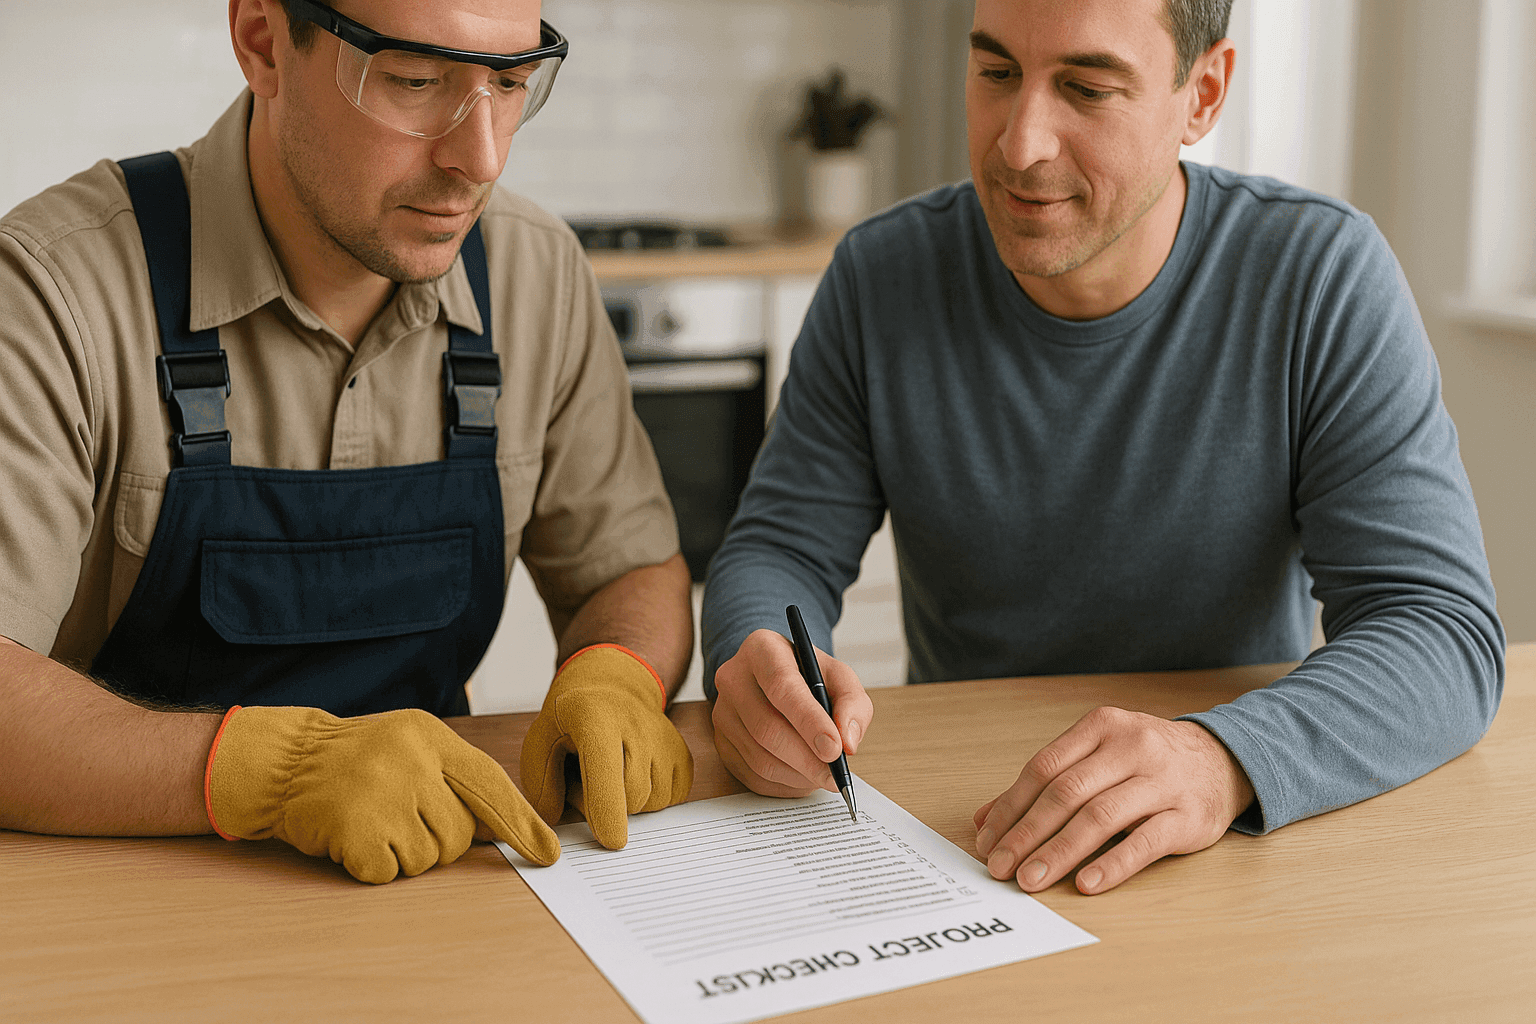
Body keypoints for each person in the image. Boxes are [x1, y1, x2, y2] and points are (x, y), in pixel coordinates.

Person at [701, 0, 1505, 897]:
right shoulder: (879, 276)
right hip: (968, 834)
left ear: (1201, 95)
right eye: (996, 73)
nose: (1019, 144)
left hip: (1225, 844)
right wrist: (755, 656)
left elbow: (1440, 630)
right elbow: (779, 549)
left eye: (1086, 87)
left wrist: (1223, 756)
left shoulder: (1320, 276)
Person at [0, 0, 695, 884]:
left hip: (430, 876)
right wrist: (273, 775)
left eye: (510, 82)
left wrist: (618, 670)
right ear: (263, 42)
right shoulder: (53, 290)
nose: (478, 158)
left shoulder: (536, 271)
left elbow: (625, 567)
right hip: (127, 893)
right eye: (414, 80)